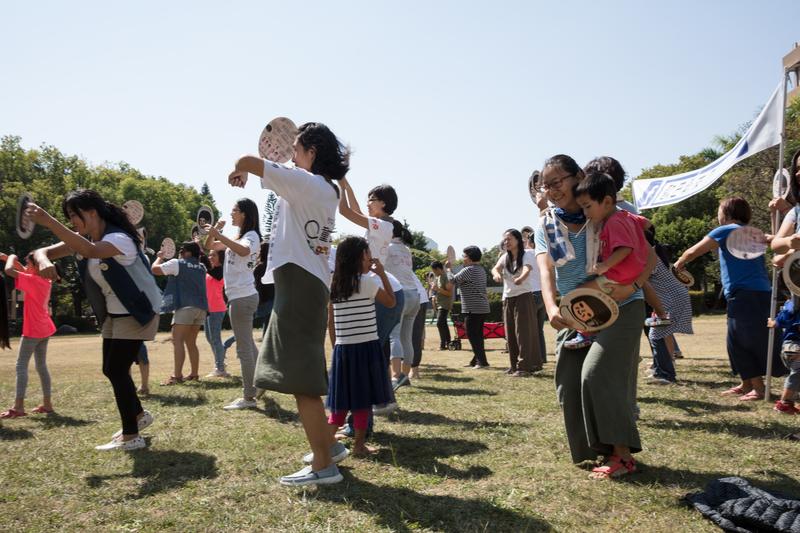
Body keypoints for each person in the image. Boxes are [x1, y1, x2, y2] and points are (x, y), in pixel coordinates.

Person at [228, 121, 349, 486]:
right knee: (303, 372)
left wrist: (237, 168)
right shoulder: (323, 188)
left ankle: (324, 466)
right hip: (306, 282)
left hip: (300, 284)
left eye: (297, 150)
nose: (292, 157)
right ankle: (330, 446)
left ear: (312, 153)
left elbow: (247, 159)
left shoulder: (307, 183)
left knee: (302, 381)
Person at [535, 154, 653, 479]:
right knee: (568, 384)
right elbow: (546, 271)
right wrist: (551, 307)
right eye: (546, 185)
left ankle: (622, 455)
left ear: (577, 177)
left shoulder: (609, 210)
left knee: (597, 373)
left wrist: (633, 287)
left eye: (557, 182)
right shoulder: (547, 223)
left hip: (622, 306)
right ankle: (597, 450)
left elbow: (650, 256)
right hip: (577, 313)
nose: (552, 190)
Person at [28, 189, 159, 450]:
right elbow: (41, 252)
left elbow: (90, 250)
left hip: (137, 310)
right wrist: (44, 261)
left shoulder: (118, 239)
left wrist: (48, 220)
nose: (71, 223)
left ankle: (132, 437)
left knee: (116, 369)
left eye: (73, 216)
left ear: (91, 213)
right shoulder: (83, 238)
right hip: (114, 312)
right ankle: (138, 416)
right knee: (111, 368)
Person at [676, 197, 783, 401]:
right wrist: (772, 215)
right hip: (761, 293)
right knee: (738, 340)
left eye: (719, 210)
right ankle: (746, 384)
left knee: (740, 341)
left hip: (743, 295)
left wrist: (679, 264)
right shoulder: (753, 232)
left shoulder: (725, 230)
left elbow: (693, 251)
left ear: (726, 213)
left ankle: (758, 389)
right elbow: (776, 240)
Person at [325, 236, 396, 456]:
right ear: (358, 258)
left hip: (343, 349)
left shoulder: (335, 283)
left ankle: (324, 447)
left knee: (341, 402)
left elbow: (330, 319)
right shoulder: (367, 282)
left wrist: (335, 344)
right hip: (366, 348)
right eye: (367, 255)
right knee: (362, 400)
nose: (370, 260)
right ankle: (358, 446)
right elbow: (391, 302)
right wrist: (382, 273)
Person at [563, 172, 650, 349]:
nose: (585, 213)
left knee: (580, 292)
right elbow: (645, 222)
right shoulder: (626, 216)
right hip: (633, 273)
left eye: (587, 207)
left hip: (618, 274)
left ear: (608, 202)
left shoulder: (613, 222)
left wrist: (604, 266)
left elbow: (625, 248)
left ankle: (585, 333)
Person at [204, 199, 261, 410]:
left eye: (235, 210)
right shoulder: (238, 236)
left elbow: (244, 251)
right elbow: (209, 246)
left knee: (244, 349)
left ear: (245, 214)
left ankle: (249, 397)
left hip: (242, 297)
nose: (231, 213)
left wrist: (220, 235)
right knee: (249, 346)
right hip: (239, 297)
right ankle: (261, 384)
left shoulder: (251, 236)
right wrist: (215, 232)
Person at [0, 253, 56, 418]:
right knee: (41, 366)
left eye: (28, 263)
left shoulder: (32, 281)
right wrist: (8, 258)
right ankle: (47, 404)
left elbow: (9, 271)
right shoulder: (44, 280)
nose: (26, 265)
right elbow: (23, 270)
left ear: (36, 266)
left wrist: (11, 257)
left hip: (33, 330)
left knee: (21, 366)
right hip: (44, 328)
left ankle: (18, 407)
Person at [152, 241, 208, 385]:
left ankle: (177, 376)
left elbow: (155, 270)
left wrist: (160, 257)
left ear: (188, 253)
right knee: (191, 342)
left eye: (182, 250)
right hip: (201, 308)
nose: (180, 253)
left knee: (177, 341)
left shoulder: (178, 263)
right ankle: (194, 374)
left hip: (185, 307)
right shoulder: (202, 267)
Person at [642, 229, 693, 385]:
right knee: (664, 333)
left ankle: (665, 374)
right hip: (674, 298)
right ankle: (663, 368)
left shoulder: (650, 257)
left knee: (655, 334)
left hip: (671, 300)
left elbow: (641, 278)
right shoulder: (655, 254)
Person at [491, 229, 543, 376]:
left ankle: (525, 366)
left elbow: (527, 268)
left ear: (518, 240)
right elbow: (495, 268)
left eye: (509, 239)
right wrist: (496, 274)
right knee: (511, 332)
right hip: (508, 298)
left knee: (524, 332)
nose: (506, 242)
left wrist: (521, 278)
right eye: (504, 240)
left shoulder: (526, 254)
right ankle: (514, 365)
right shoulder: (504, 257)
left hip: (524, 296)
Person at [385, 221, 421, 389]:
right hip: (414, 295)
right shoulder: (406, 249)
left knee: (394, 335)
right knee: (406, 337)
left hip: (399, 294)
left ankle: (396, 375)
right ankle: (405, 375)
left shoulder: (386, 247)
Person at [448, 246, 490, 369]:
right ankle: (476, 360)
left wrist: (449, 269)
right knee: (477, 335)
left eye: (465, 256)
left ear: (470, 257)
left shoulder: (468, 270)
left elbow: (451, 282)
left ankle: (482, 362)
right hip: (482, 307)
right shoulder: (481, 269)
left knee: (472, 335)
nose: (463, 258)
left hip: (473, 308)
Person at [767, 294, 800, 414]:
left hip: (790, 346)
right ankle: (784, 403)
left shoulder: (789, 305)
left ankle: (789, 402)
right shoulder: (792, 305)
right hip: (794, 346)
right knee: (799, 368)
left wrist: (773, 322)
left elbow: (776, 323)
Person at [521, 226, 547, 363]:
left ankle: (533, 358)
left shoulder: (527, 253)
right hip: (544, 293)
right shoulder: (543, 253)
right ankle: (542, 357)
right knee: (539, 330)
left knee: (528, 329)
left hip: (531, 293)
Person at [202, 249, 229, 378]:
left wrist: (199, 250)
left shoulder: (221, 270)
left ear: (221, 257)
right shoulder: (210, 270)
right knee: (210, 338)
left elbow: (208, 266)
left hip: (217, 309)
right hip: (208, 309)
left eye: (214, 254)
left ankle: (220, 368)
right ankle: (221, 363)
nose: (210, 256)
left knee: (215, 339)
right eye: (210, 254)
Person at [410, 274, 430, 379]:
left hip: (416, 298)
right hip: (418, 298)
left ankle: (414, 370)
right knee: (413, 336)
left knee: (414, 336)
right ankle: (413, 370)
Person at [430, 261, 454, 350]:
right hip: (439, 303)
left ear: (438, 269)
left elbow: (449, 293)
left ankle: (443, 344)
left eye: (434, 270)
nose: (434, 273)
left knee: (439, 323)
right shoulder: (438, 277)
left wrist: (438, 289)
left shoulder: (446, 277)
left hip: (445, 304)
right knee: (443, 324)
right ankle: (448, 343)